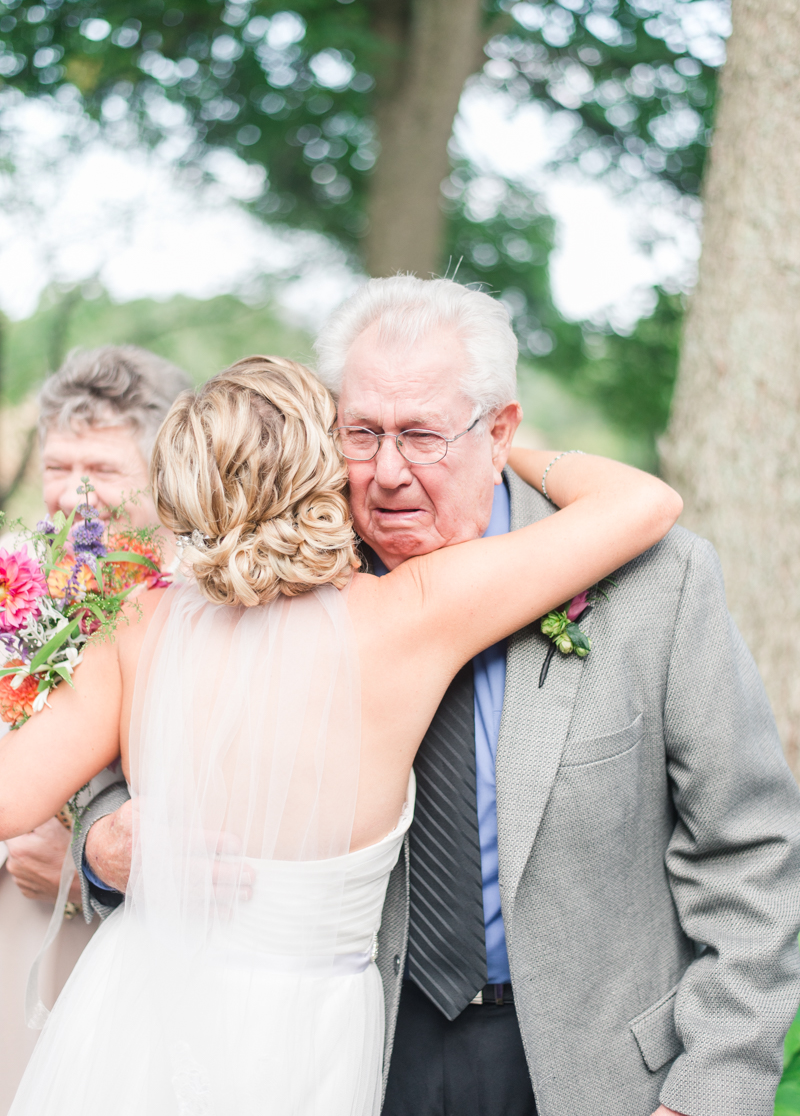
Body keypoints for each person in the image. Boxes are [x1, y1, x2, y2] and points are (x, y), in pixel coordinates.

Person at [75, 278, 800, 1115]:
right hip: (349, 1056)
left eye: (421, 435)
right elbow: (124, 738)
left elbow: (751, 849)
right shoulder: (262, 572)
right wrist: (103, 844)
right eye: (362, 434)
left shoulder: (654, 581)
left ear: (500, 431)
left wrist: (710, 1092)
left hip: (595, 1072)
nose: (386, 474)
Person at [0, 353, 680, 1116]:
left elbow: (11, 798)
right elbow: (642, 501)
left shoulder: (133, 625)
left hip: (134, 1006)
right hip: (304, 1038)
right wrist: (483, 444)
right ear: (325, 466)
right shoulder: (411, 614)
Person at [0, 345, 190, 1114]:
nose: (75, 496)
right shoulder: (12, 585)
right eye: (58, 466)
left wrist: (88, 869)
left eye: (105, 471)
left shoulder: (199, 608)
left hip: (140, 956)